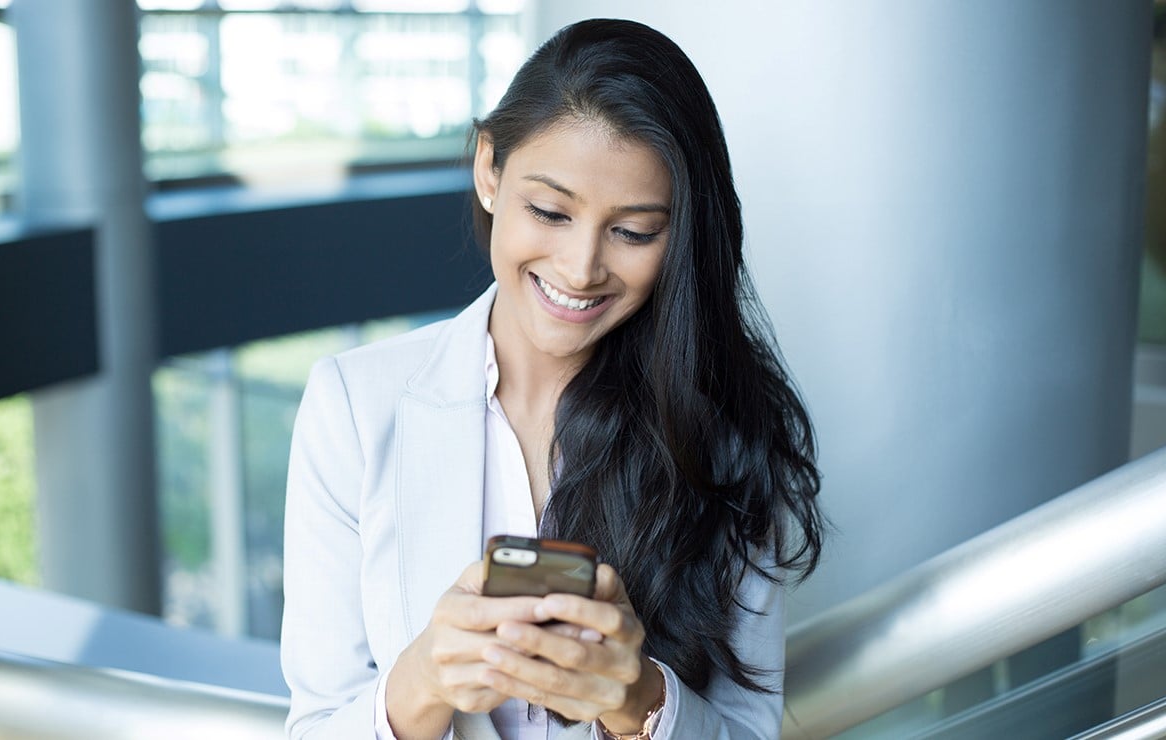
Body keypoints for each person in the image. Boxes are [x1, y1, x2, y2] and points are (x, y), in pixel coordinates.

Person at [281, 17, 824, 740]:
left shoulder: (722, 432)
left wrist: (638, 697)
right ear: (489, 171)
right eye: (549, 211)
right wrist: (423, 678)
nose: (579, 268)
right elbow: (315, 725)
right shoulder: (354, 405)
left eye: (633, 232)